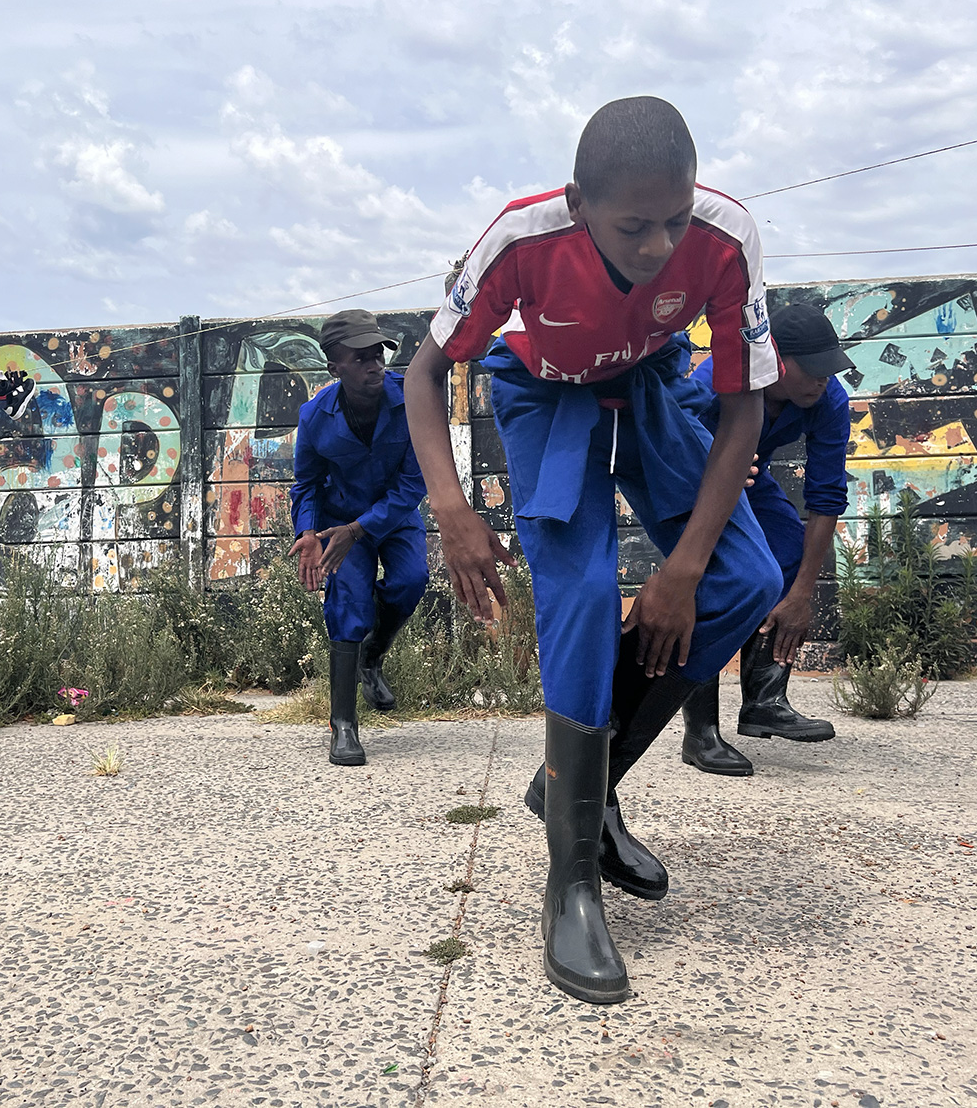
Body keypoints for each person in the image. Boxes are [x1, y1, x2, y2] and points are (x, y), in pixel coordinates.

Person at [404, 96, 782, 1004]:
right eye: (633, 226)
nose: (659, 246)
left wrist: (680, 571)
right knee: (576, 597)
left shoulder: (726, 240)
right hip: (544, 394)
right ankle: (570, 878)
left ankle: (577, 783)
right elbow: (424, 371)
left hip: (647, 386)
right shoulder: (520, 241)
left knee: (745, 577)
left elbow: (744, 408)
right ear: (580, 205)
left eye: (674, 219)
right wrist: (450, 508)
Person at [678, 303, 853, 775]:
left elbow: (826, 496)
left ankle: (765, 702)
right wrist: (716, 471)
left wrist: (800, 595)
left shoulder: (829, 401)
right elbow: (669, 442)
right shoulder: (714, 378)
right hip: (691, 482)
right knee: (713, 581)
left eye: (829, 370)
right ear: (773, 356)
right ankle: (700, 733)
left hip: (751, 482)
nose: (822, 381)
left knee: (792, 554)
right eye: (812, 371)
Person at [289, 310, 429, 767]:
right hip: (338, 523)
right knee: (349, 606)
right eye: (361, 358)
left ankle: (373, 656)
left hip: (393, 516)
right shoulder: (314, 417)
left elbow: (415, 481)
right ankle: (343, 726)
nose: (375, 366)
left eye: (378, 355)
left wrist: (360, 529)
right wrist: (308, 531)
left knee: (411, 581)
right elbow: (305, 484)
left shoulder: (411, 398)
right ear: (335, 367)